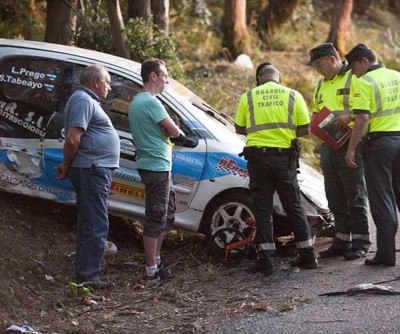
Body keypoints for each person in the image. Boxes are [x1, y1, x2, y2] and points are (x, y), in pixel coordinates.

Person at [234, 62, 318, 274]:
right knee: (294, 206)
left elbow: (238, 127)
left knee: (263, 209)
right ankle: (308, 255)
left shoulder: (249, 96)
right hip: (285, 160)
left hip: (259, 160)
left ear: (260, 79)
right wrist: (283, 133)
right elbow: (306, 129)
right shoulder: (293, 95)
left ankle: (266, 260)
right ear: (278, 78)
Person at [56, 64, 120, 288]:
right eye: (107, 82)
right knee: (96, 224)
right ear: (95, 81)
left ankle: (84, 275)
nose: (109, 88)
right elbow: (73, 138)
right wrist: (66, 163)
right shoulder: (83, 99)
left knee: (88, 222)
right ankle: (88, 277)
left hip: (92, 169)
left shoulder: (87, 100)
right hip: (92, 169)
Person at [306, 43, 371, 260]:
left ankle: (361, 241)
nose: (317, 69)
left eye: (319, 64)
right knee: (334, 194)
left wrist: (350, 118)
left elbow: (366, 109)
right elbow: (317, 113)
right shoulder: (321, 85)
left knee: (354, 193)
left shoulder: (354, 78)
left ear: (332, 59)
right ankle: (342, 240)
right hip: (329, 145)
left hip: (351, 143)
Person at [344, 43, 400, 267]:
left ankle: (386, 256)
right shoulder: (397, 75)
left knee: (382, 200)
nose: (354, 73)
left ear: (364, 61)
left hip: (381, 146)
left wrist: (350, 148)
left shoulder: (365, 82)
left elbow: (362, 118)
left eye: (354, 67)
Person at [128, 58, 180, 280]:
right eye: (165, 76)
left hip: (156, 164)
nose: (166, 80)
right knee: (156, 214)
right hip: (155, 165)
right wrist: (171, 129)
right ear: (153, 76)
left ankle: (156, 260)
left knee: (166, 212)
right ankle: (151, 269)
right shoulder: (151, 102)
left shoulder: (139, 101)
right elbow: (174, 131)